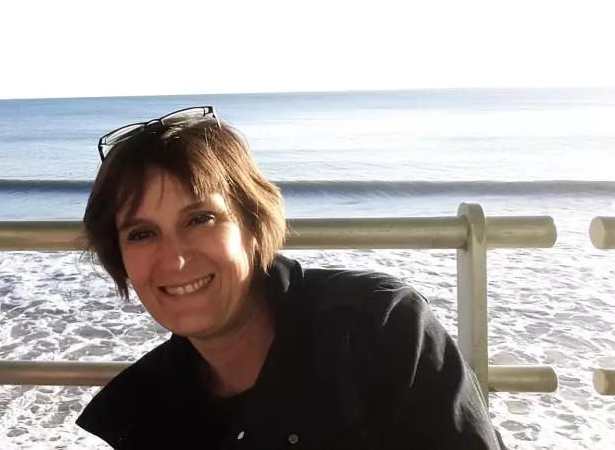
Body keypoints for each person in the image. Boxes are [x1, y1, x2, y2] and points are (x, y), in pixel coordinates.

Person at [75, 106, 505, 449]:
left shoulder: (376, 329)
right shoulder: (147, 412)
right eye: (142, 233)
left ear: (252, 224)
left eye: (200, 218)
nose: (175, 259)